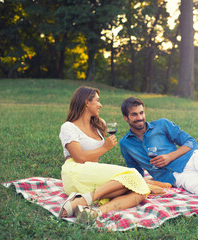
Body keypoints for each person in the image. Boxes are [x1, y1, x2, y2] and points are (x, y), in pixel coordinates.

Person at [58, 87, 150, 222]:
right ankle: (84, 200)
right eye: (97, 101)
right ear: (86, 103)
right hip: (75, 172)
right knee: (133, 175)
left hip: (91, 175)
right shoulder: (68, 127)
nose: (100, 105)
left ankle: (94, 213)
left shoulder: (99, 124)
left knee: (139, 191)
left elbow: (94, 160)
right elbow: (79, 157)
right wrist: (105, 147)